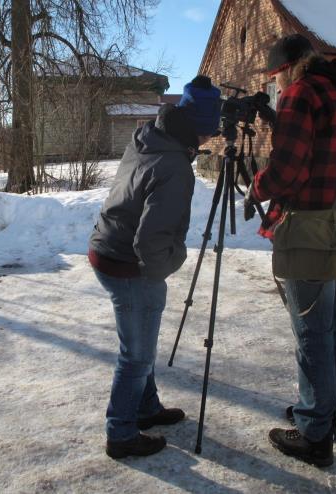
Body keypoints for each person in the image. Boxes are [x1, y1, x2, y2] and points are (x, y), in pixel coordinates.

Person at [245, 34, 336, 467]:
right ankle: (325, 409)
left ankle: (314, 433)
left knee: (311, 333)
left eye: (275, 77)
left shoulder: (302, 94)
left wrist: (254, 187)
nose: (276, 86)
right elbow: (328, 156)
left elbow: (286, 170)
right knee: (334, 324)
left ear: (288, 69)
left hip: (313, 235)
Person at [88, 75, 222, 459]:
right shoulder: (175, 166)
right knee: (136, 356)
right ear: (204, 127)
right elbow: (151, 241)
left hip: (107, 247)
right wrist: (171, 263)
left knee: (137, 344)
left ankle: (145, 408)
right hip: (128, 263)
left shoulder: (149, 136)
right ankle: (121, 433)